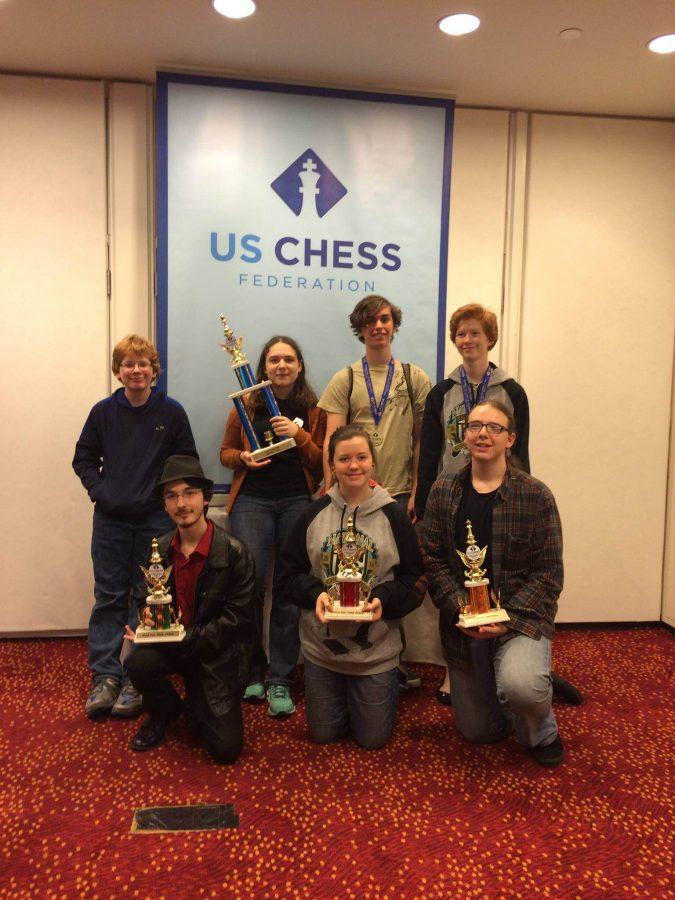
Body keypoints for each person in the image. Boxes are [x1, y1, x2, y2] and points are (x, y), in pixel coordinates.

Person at [420, 399, 565, 767]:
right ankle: (530, 683)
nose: (482, 433)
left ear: (511, 439)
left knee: (522, 689)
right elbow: (433, 560)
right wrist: (460, 608)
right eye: (474, 426)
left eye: (494, 427)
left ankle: (538, 718)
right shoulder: (443, 490)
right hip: (464, 623)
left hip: (519, 620)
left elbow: (549, 573)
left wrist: (505, 618)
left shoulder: (536, 496)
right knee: (478, 732)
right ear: (465, 435)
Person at [277, 425, 425, 750]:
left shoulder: (394, 515)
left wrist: (383, 600)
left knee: (372, 740)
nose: (353, 465)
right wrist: (314, 593)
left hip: (376, 652)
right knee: (324, 735)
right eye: (344, 459)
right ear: (332, 465)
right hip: (322, 651)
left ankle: (384, 682)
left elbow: (415, 579)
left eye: (361, 457)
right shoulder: (311, 514)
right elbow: (287, 576)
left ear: (373, 462)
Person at [72, 335, 197, 720]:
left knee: (149, 598)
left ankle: (133, 676)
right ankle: (105, 677)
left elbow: (186, 461)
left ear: (154, 371)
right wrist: (101, 492)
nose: (137, 370)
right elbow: (84, 459)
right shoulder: (103, 412)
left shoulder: (171, 412)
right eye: (129, 364)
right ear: (118, 371)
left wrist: (167, 499)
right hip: (110, 521)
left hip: (155, 523)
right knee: (109, 596)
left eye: (143, 364)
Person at [318, 295, 431, 689]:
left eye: (385, 319)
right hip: (355, 493)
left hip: (398, 494)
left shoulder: (414, 377)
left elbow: (422, 441)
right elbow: (332, 439)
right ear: (360, 329)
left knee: (396, 580)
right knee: (357, 572)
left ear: (394, 325)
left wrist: (418, 490)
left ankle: (391, 658)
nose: (378, 326)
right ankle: (351, 652)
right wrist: (330, 489)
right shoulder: (345, 378)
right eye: (370, 321)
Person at [219, 336, 326, 718]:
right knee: (249, 589)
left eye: (289, 360)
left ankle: (280, 677)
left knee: (286, 590)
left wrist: (298, 436)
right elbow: (225, 453)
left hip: (297, 502)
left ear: (299, 366)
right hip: (252, 502)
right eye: (274, 359)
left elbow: (319, 463)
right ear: (263, 367)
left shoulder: (314, 410)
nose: (281, 365)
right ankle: (251, 670)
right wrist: (244, 458)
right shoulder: (246, 404)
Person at [124, 455, 256, 762]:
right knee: (138, 663)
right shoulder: (159, 549)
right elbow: (145, 595)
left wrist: (187, 638)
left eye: (189, 493)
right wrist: (146, 623)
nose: (181, 503)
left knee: (225, 750)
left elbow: (238, 621)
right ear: (164, 505)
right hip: (172, 642)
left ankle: (198, 701)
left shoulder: (235, 553)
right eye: (171, 496)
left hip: (214, 652)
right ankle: (165, 711)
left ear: (206, 498)